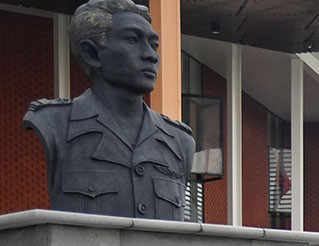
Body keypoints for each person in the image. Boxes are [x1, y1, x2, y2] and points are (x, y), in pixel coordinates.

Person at [23, 0, 194, 220]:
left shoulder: (179, 142)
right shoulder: (53, 123)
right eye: (132, 40)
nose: (151, 55)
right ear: (92, 54)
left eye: (153, 45)